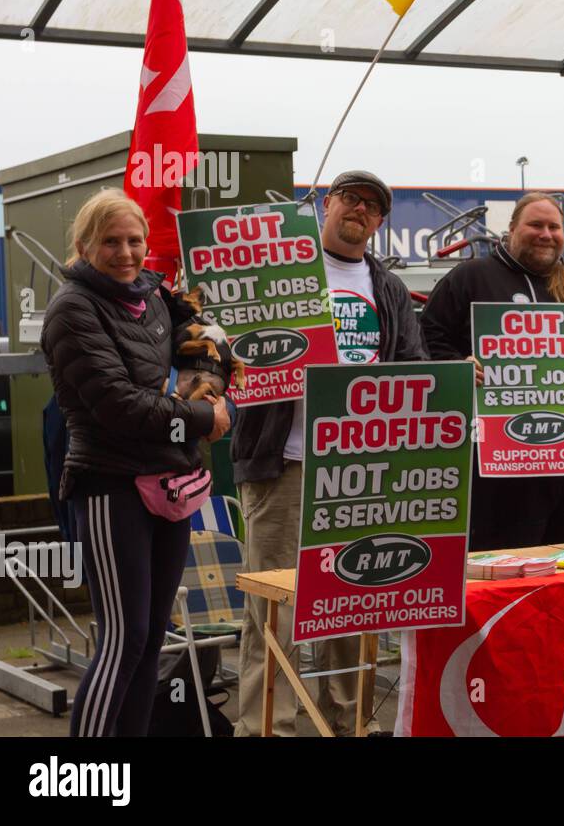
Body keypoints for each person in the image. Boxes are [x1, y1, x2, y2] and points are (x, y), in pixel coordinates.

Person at [231, 170, 429, 737]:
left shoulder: (386, 287)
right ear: (326, 204)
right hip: (284, 463)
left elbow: (410, 365)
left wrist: (451, 378)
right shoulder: (281, 270)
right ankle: (267, 728)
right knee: (275, 608)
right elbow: (233, 346)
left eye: (373, 206)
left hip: (359, 470)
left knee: (352, 603)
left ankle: (347, 724)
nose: (360, 210)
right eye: (350, 197)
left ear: (380, 222)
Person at [42, 189, 231, 736]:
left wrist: (213, 389)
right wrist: (202, 417)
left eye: (134, 241)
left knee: (151, 638)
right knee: (122, 640)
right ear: (83, 246)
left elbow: (209, 346)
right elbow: (118, 406)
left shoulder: (153, 295)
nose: (125, 253)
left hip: (169, 483)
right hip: (110, 486)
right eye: (110, 242)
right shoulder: (72, 308)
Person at [420, 191, 564, 550]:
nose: (546, 234)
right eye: (536, 225)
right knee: (509, 574)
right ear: (513, 229)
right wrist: (456, 367)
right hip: (500, 471)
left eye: (554, 226)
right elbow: (426, 340)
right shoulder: (470, 276)